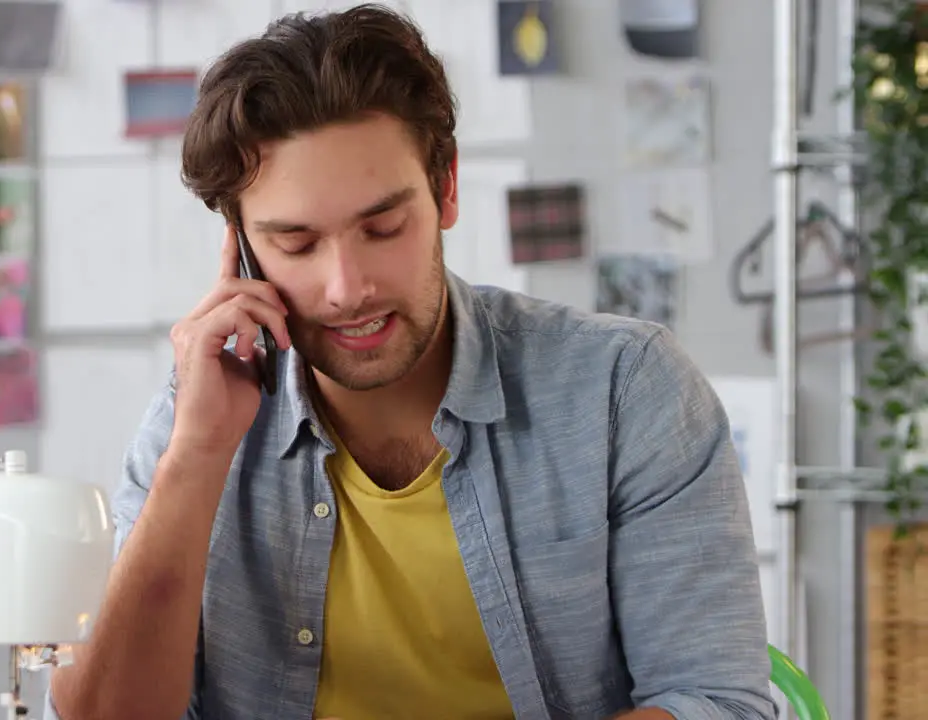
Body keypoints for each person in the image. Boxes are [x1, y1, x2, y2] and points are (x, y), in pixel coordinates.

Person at [48, 4, 773, 719]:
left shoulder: (625, 390)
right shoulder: (191, 421)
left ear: (446, 188)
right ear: (240, 246)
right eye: (297, 244)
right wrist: (197, 457)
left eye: (383, 226)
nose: (348, 288)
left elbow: (717, 703)